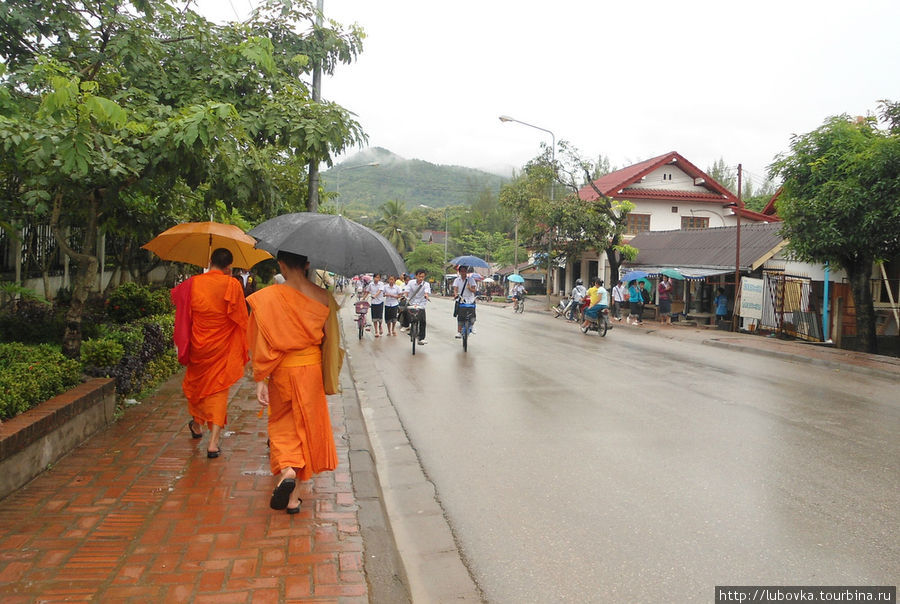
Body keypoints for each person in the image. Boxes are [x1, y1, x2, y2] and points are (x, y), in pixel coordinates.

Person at [246, 251, 339, 515]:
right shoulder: (324, 298)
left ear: (281, 265)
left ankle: (286, 468)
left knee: (282, 423)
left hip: (281, 370)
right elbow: (330, 342)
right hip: (310, 371)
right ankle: (294, 497)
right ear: (308, 264)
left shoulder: (267, 298)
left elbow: (259, 342)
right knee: (306, 428)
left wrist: (260, 378)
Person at [171, 248, 249, 458]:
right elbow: (241, 317)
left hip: (199, 346)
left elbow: (175, 296)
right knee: (218, 391)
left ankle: (197, 424)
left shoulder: (192, 283)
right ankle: (212, 443)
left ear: (210, 261)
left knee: (198, 386)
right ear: (228, 266)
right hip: (222, 347)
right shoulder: (232, 285)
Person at [405, 268, 431, 345]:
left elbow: (426, 292)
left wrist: (426, 296)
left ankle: (421, 338)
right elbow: (407, 291)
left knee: (423, 321)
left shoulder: (426, 284)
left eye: (423, 277)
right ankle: (408, 327)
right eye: (419, 276)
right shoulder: (411, 283)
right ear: (416, 276)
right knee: (407, 314)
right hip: (412, 303)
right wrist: (405, 296)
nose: (421, 278)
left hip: (421, 304)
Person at [452, 265, 478, 338]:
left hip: (470, 299)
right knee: (460, 316)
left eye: (464, 271)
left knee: (472, 314)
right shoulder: (457, 280)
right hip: (461, 299)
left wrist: (469, 288)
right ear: (459, 272)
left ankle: (472, 326)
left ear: (466, 271)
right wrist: (455, 295)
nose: (463, 272)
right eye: (462, 271)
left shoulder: (471, 280)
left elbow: (474, 290)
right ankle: (459, 332)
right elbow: (455, 289)